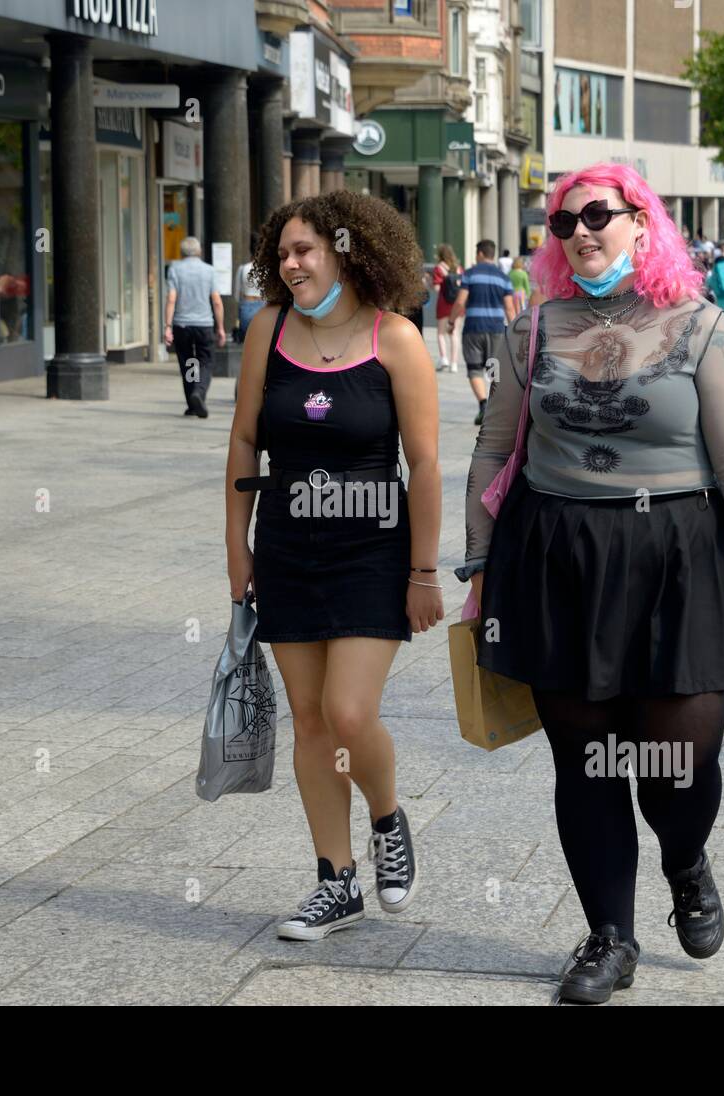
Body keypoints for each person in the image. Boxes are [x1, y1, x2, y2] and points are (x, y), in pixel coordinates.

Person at [458, 162, 724, 1005]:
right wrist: (476, 565)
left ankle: (685, 859)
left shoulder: (701, 326)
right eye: (562, 221)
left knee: (680, 764)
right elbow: (494, 451)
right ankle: (609, 938)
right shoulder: (532, 329)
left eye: (598, 214)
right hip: (557, 558)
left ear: (642, 225)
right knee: (585, 762)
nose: (579, 230)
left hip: (680, 559)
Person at [225, 190, 443, 942]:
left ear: (348, 251)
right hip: (287, 550)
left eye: (303, 251)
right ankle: (335, 882)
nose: (288, 265)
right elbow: (244, 443)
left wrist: (423, 573)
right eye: (281, 253)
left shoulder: (397, 340)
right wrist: (238, 549)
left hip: (371, 553)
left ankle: (387, 817)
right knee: (312, 720)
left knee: (351, 713)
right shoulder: (267, 331)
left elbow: (425, 464)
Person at [449, 240, 518, 426]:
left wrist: (451, 321)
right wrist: (515, 331)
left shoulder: (470, 274)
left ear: (480, 254)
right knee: (494, 369)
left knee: (474, 368)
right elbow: (510, 308)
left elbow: (460, 302)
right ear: (492, 254)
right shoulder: (503, 278)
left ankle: (483, 404)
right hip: (496, 330)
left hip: (473, 328)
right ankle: (497, 406)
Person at [165, 236, 226, 418]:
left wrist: (167, 326)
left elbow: (171, 298)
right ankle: (198, 392)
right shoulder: (209, 271)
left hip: (182, 325)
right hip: (204, 324)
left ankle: (192, 400)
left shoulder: (175, 269)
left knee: (189, 362)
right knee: (205, 361)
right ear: (199, 251)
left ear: (182, 253)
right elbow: (216, 301)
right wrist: (221, 327)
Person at [432, 243, 463, 372]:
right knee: (454, 333)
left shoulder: (438, 268)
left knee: (441, 333)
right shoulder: (459, 268)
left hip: (444, 304)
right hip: (457, 305)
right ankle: (454, 364)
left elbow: (437, 288)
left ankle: (444, 358)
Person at [233, 234, 263, 344]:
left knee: (248, 342)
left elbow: (237, 294)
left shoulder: (243, 268)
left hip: (247, 305)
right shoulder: (268, 270)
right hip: (264, 305)